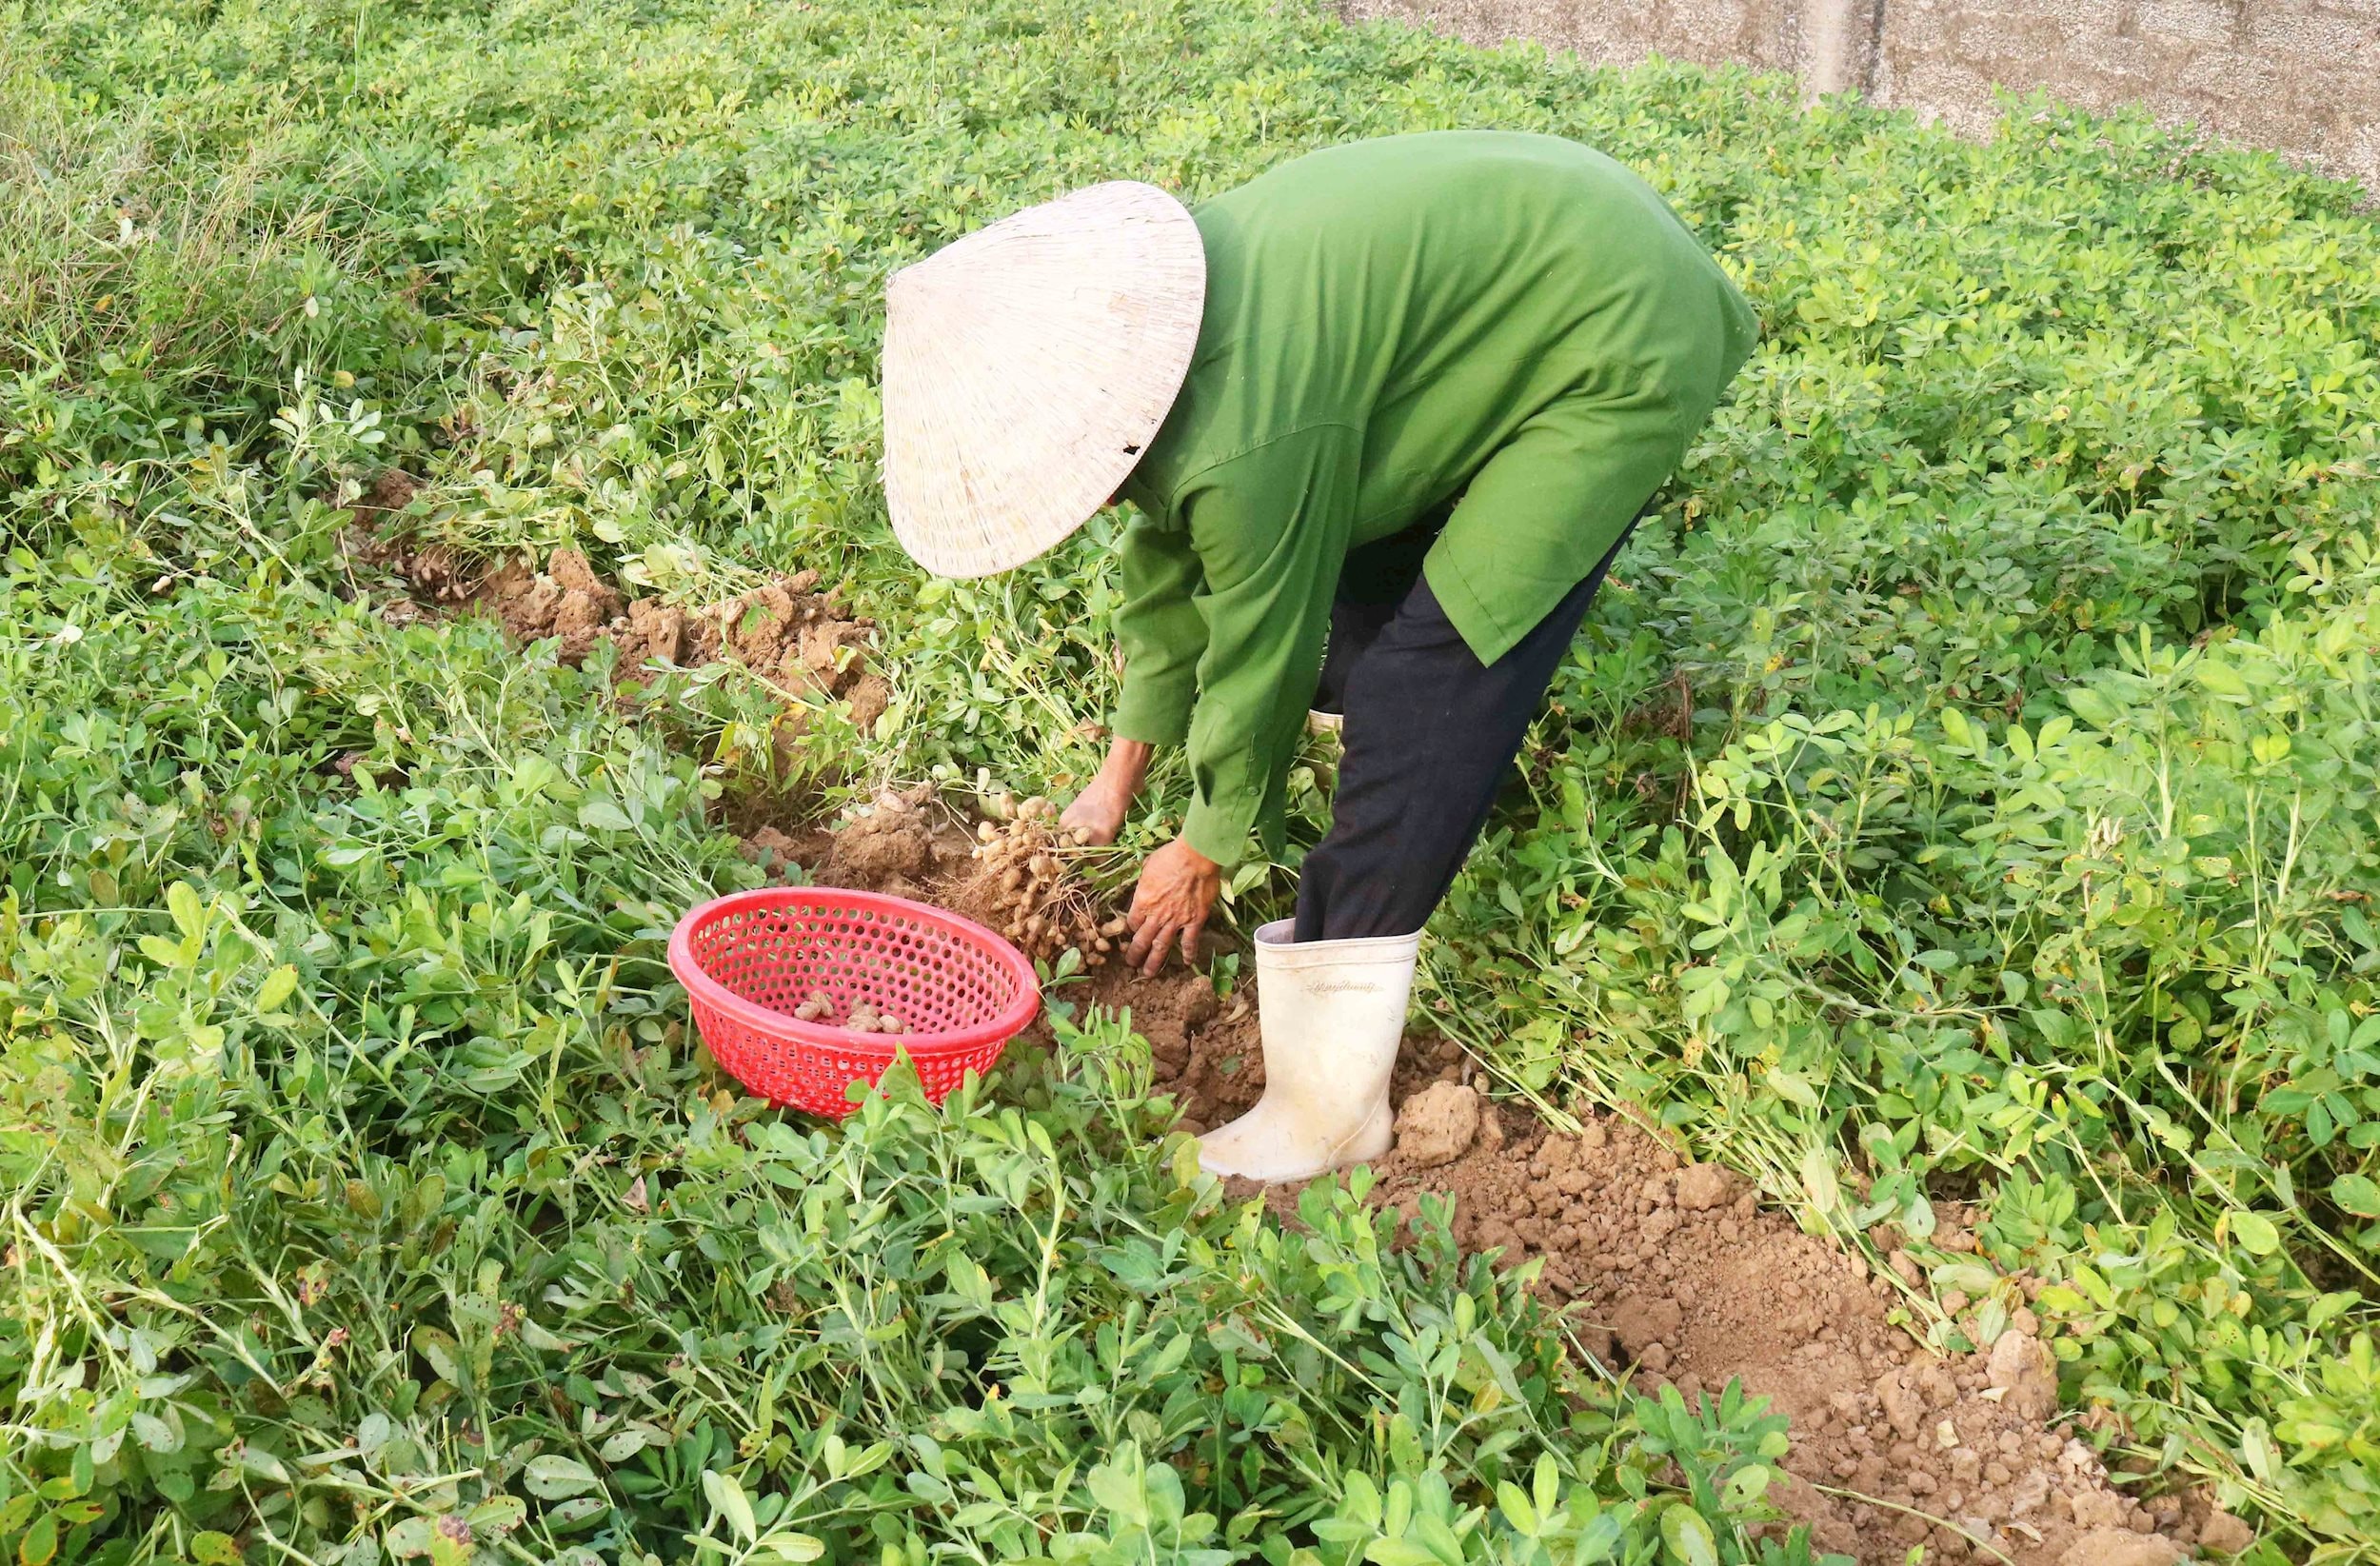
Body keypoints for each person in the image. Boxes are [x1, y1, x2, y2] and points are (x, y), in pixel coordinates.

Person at [879, 130, 1756, 1181]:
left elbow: (1261, 645)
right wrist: (1115, 783)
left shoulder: (1244, 436)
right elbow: (1166, 572)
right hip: (1537, 258)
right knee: (1351, 619)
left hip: (1618, 329)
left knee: (1425, 682)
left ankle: (1328, 1104)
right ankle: (1387, 799)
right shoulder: (1160, 344)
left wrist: (1204, 845)